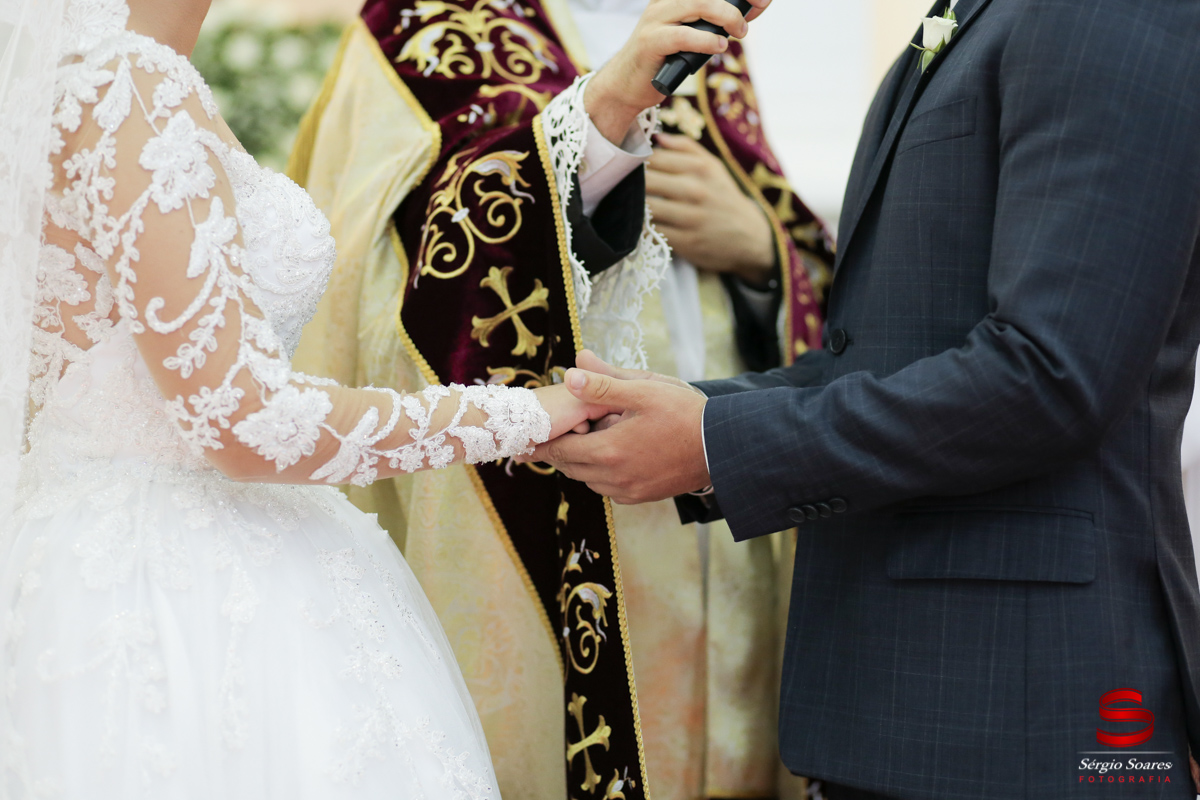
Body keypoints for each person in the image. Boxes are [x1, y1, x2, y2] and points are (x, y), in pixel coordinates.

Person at [0, 0, 760, 792]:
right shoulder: (130, 83)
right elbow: (245, 420)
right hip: (170, 594)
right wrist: (522, 413)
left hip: (176, 550)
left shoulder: (119, 77)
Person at [529, 0, 1200, 797]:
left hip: (1021, 704)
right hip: (907, 700)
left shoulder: (1106, 14)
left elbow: (1048, 376)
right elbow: (891, 351)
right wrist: (692, 411)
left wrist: (716, 445)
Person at [286, 0, 824, 796]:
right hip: (558, 494)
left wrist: (758, 249)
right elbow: (373, 259)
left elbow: (814, 265)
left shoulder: (709, 29)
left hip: (723, 509)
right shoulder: (423, 23)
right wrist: (596, 134)